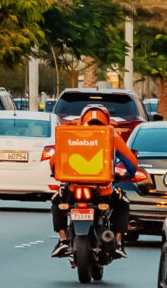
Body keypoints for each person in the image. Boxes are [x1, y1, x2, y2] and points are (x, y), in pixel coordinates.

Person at [50, 103, 140, 257]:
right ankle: (117, 242)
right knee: (122, 204)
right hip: (103, 190)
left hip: (73, 189)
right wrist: (128, 174)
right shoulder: (112, 137)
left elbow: (54, 162)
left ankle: (63, 240)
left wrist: (57, 172)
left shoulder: (73, 135)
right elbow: (131, 164)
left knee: (57, 201)